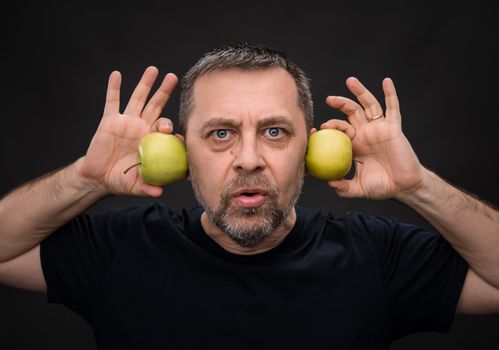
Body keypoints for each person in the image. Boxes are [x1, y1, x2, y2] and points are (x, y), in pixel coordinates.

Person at [0, 42, 498, 349]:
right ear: (181, 150)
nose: (249, 159)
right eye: (220, 134)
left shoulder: (374, 253)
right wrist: (87, 179)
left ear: (313, 145)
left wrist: (418, 186)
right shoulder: (121, 248)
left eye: (276, 132)